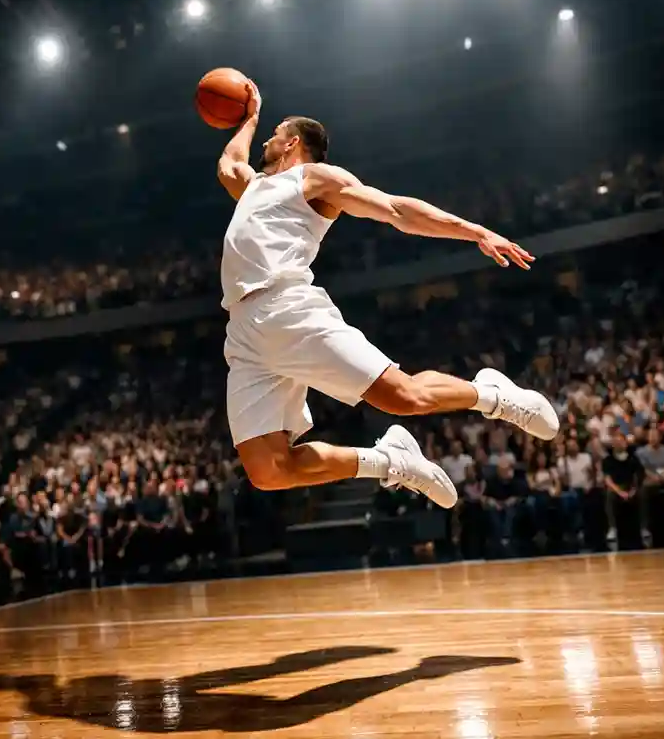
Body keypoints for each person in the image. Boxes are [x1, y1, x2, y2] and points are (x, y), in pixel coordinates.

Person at [215, 79, 558, 509]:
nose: (266, 140)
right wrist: (249, 117)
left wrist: (473, 231)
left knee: (405, 397)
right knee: (269, 471)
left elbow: (395, 210)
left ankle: (495, 397)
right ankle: (389, 461)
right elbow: (228, 164)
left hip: (286, 307)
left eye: (273, 132)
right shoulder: (254, 188)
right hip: (242, 330)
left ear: (293, 142)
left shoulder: (314, 179)